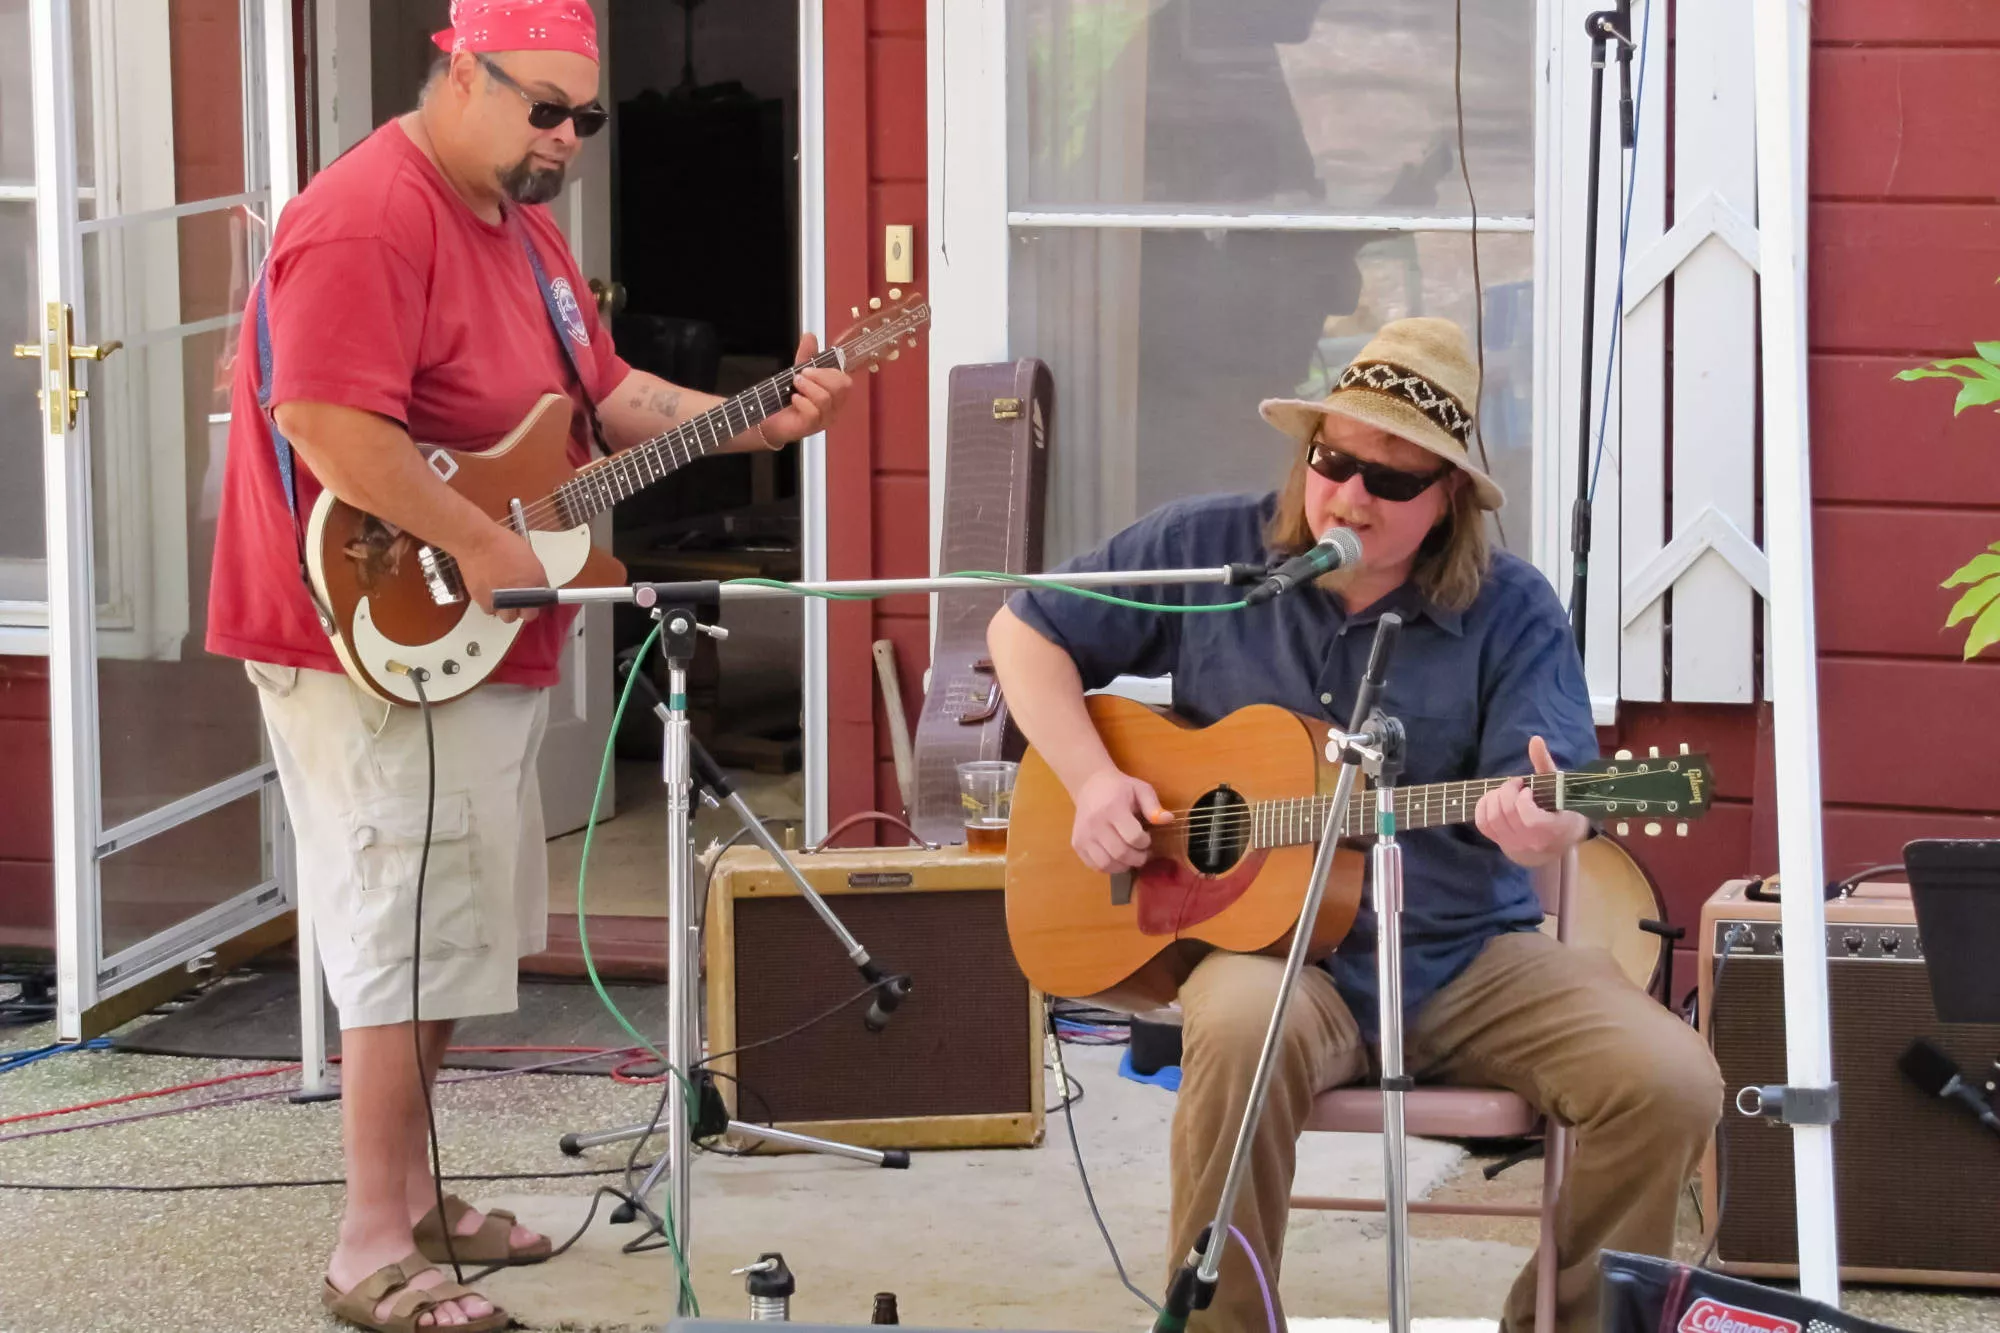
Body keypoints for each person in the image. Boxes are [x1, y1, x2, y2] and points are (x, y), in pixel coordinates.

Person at [205, 3, 851, 1328]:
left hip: (471, 631)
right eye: (540, 108)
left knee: (453, 932)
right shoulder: (368, 213)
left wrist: (751, 419)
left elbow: (603, 395)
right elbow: (326, 421)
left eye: (584, 118)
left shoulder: (526, 224)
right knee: (398, 934)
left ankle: (418, 1193)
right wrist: (481, 543)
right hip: (372, 631)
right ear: (458, 68)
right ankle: (370, 1247)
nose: (563, 139)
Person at [987, 317, 1720, 1333]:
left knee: (1668, 1079)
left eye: (1391, 480)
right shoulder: (1205, 550)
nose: (1349, 495)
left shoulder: (1510, 607)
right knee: (1240, 1029)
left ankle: (1566, 1324)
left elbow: (1550, 797)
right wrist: (1095, 780)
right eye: (1332, 461)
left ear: (1447, 499)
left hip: (1463, 954)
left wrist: (1541, 827)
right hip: (1274, 960)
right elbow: (1026, 627)